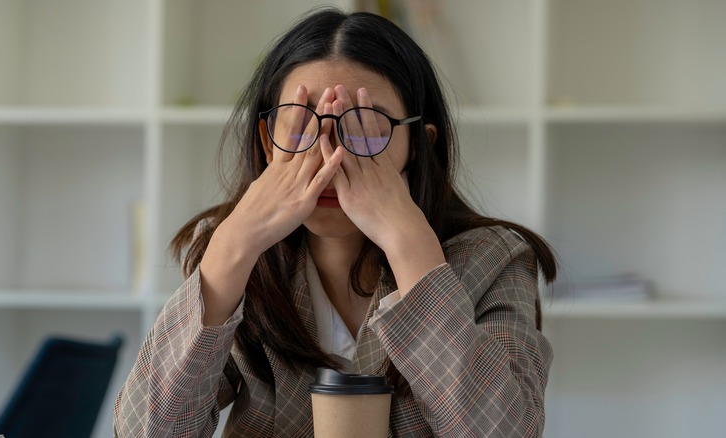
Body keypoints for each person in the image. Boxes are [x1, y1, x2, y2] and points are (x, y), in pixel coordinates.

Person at [114, 8, 556, 438]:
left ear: (418, 145)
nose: (329, 155)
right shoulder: (235, 256)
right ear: (269, 144)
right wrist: (232, 247)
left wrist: (410, 247)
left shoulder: (495, 258)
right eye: (302, 123)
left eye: (364, 127)